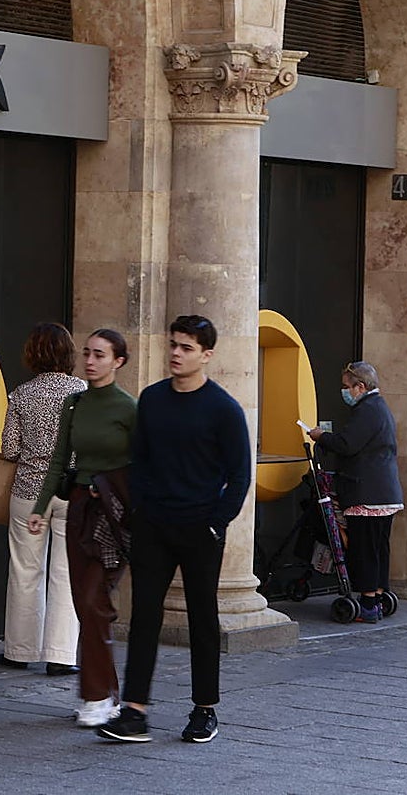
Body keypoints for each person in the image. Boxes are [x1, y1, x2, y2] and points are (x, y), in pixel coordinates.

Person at [98, 315, 251, 744]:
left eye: (186, 348)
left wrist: (215, 523)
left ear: (207, 355)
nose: (176, 354)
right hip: (153, 525)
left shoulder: (223, 409)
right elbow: (140, 460)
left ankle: (204, 710)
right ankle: (134, 711)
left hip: (200, 529)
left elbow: (240, 475)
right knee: (144, 616)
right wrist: (140, 509)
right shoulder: (152, 399)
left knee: (203, 618)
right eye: (173, 345)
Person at [32, 329, 137, 727]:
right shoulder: (73, 405)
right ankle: (104, 692)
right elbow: (58, 460)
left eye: (99, 355)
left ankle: (100, 695)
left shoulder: (129, 408)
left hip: (113, 512)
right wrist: (41, 508)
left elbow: (143, 465)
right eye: (87, 354)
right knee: (83, 602)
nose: (90, 361)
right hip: (78, 507)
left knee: (94, 601)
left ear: (118, 362)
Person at [0, 323, 87, 676]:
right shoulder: (82, 392)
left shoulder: (22, 394)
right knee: (66, 573)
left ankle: (19, 651)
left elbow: (10, 448)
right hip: (70, 493)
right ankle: (62, 655)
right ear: (69, 353)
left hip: (28, 493)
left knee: (24, 571)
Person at [306, 361, 403, 624]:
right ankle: (380, 595)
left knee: (364, 548)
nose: (345, 391)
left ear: (360, 386)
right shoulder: (379, 408)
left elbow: (348, 444)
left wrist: (320, 436)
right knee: (378, 547)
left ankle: (369, 603)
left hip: (367, 493)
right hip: (384, 492)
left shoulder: (367, 410)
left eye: (347, 387)